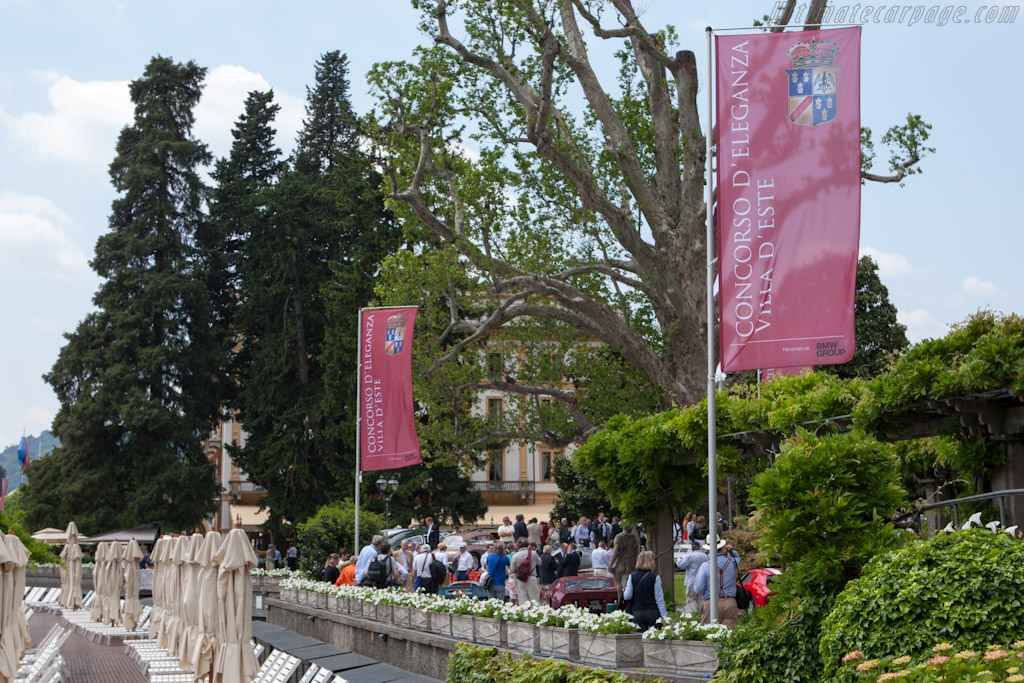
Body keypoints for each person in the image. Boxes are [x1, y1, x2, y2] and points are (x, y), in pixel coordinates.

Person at [692, 539, 740, 629]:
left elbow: (698, 588)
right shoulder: (732, 563)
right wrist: (731, 552)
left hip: (710, 603)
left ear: (708, 550)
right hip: (730, 602)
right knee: (728, 635)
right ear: (722, 548)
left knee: (708, 634)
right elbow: (737, 559)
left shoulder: (705, 566)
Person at [622, 550, 668, 632]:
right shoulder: (655, 577)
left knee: (639, 639)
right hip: (653, 611)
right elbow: (659, 598)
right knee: (656, 638)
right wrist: (665, 617)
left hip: (637, 612)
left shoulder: (632, 576)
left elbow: (627, 596)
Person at [677, 541, 709, 614]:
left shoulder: (690, 556)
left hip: (692, 581)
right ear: (699, 548)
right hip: (703, 581)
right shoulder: (706, 556)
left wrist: (679, 559)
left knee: (691, 598)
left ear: (692, 548)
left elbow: (681, 565)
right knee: (701, 599)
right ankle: (702, 613)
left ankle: (692, 614)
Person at [510, 538, 540, 604]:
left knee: (523, 601)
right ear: (528, 545)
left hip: (520, 579)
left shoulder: (515, 556)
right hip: (531, 577)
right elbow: (540, 563)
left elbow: (512, 570)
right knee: (534, 600)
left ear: (518, 546)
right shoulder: (533, 553)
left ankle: (525, 613)